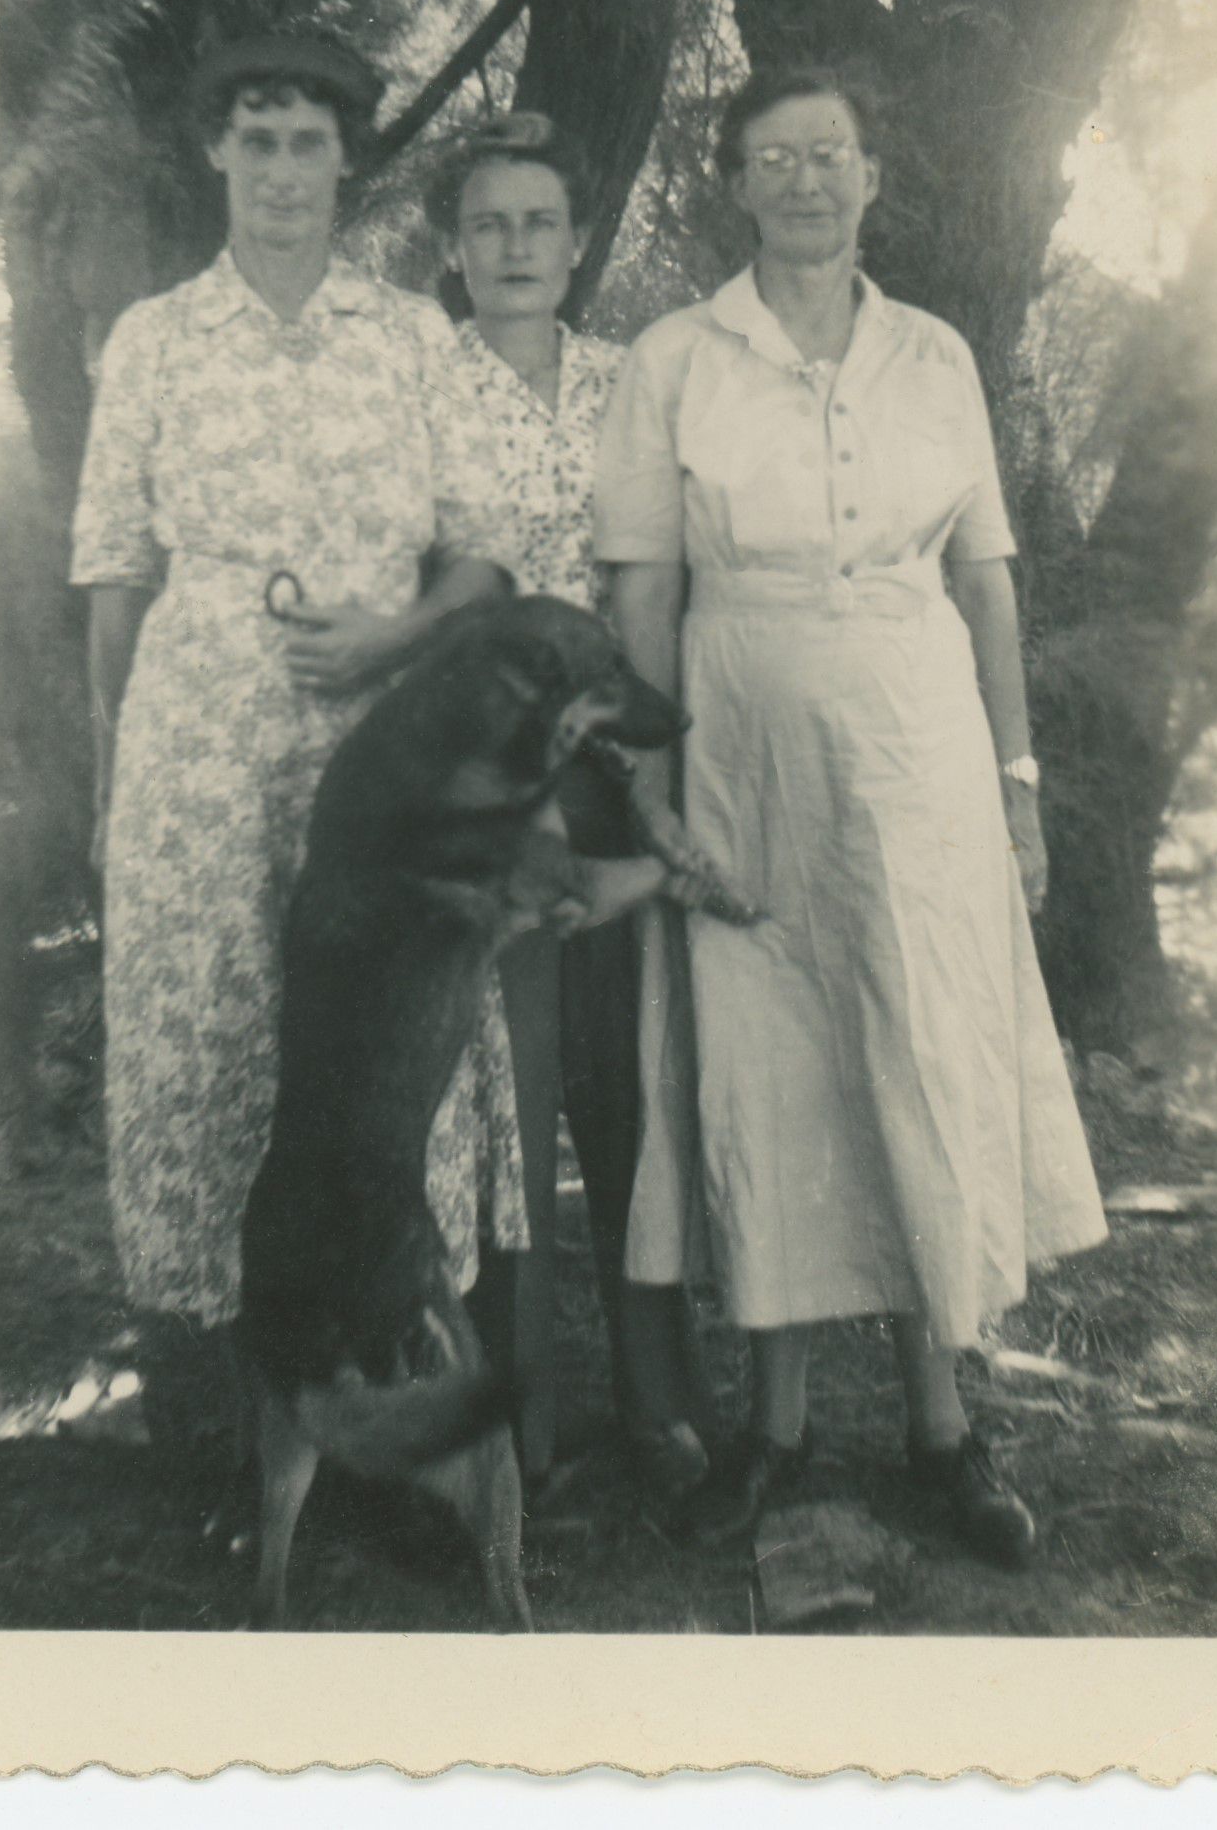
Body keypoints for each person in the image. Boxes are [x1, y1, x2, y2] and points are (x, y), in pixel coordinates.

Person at [594, 66, 1108, 1561]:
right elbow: (642, 590)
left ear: (872, 175)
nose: (806, 179)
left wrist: (1016, 788)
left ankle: (943, 1429)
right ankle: (778, 1428)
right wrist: (653, 793)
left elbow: (987, 583)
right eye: (774, 158)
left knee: (920, 1046)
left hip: (918, 751)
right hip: (740, 750)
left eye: (831, 153)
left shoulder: (935, 355)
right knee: (771, 1070)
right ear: (733, 185)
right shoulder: (675, 359)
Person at [69, 32, 523, 1500]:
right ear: (217, 152)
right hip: (195, 749)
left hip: (374, 750)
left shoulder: (410, 338)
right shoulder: (154, 340)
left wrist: (391, 637)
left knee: (378, 1053)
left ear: (346, 160)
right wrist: (112, 780)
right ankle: (226, 1438)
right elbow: (114, 579)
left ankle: (390, 1426)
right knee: (208, 1050)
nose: (279, 168)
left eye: (307, 141)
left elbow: (484, 560)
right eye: (255, 138)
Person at [424, 111, 709, 1505]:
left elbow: (670, 570)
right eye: (488, 224)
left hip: (622, 761)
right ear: (452, 246)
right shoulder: (417, 386)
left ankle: (662, 1404)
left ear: (581, 239)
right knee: (511, 1091)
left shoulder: (631, 381)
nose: (516, 247)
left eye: (540, 222)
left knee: (631, 1080)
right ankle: (518, 1429)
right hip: (487, 774)